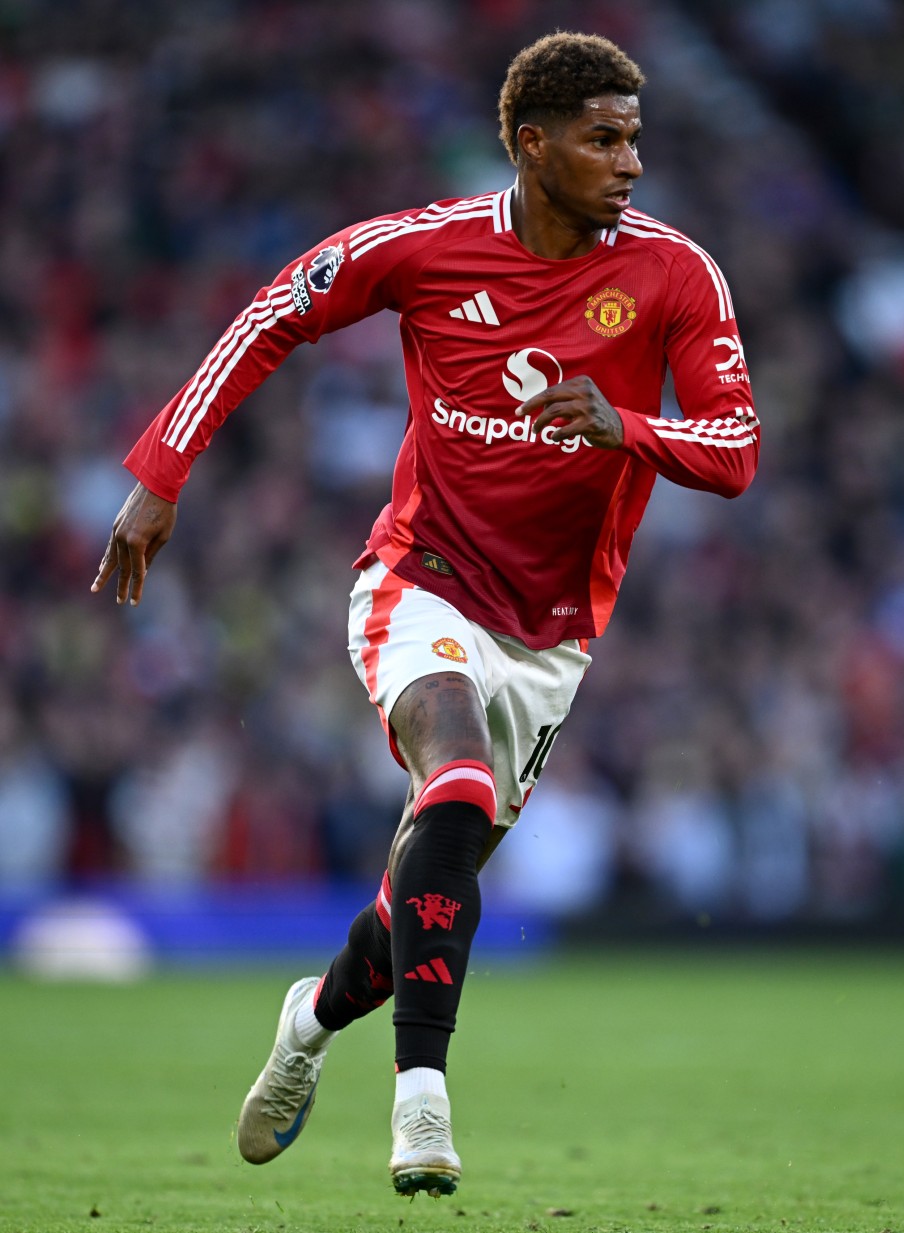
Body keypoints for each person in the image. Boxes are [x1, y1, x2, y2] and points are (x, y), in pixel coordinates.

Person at [91, 31, 759, 1197]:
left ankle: (309, 1021)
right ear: (529, 142)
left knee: (419, 903)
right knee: (449, 783)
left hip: (554, 635)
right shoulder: (429, 247)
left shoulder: (676, 276)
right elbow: (273, 313)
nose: (630, 162)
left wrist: (626, 427)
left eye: (636, 138)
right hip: (421, 581)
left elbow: (737, 449)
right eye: (604, 139)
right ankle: (422, 1107)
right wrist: (160, 471)